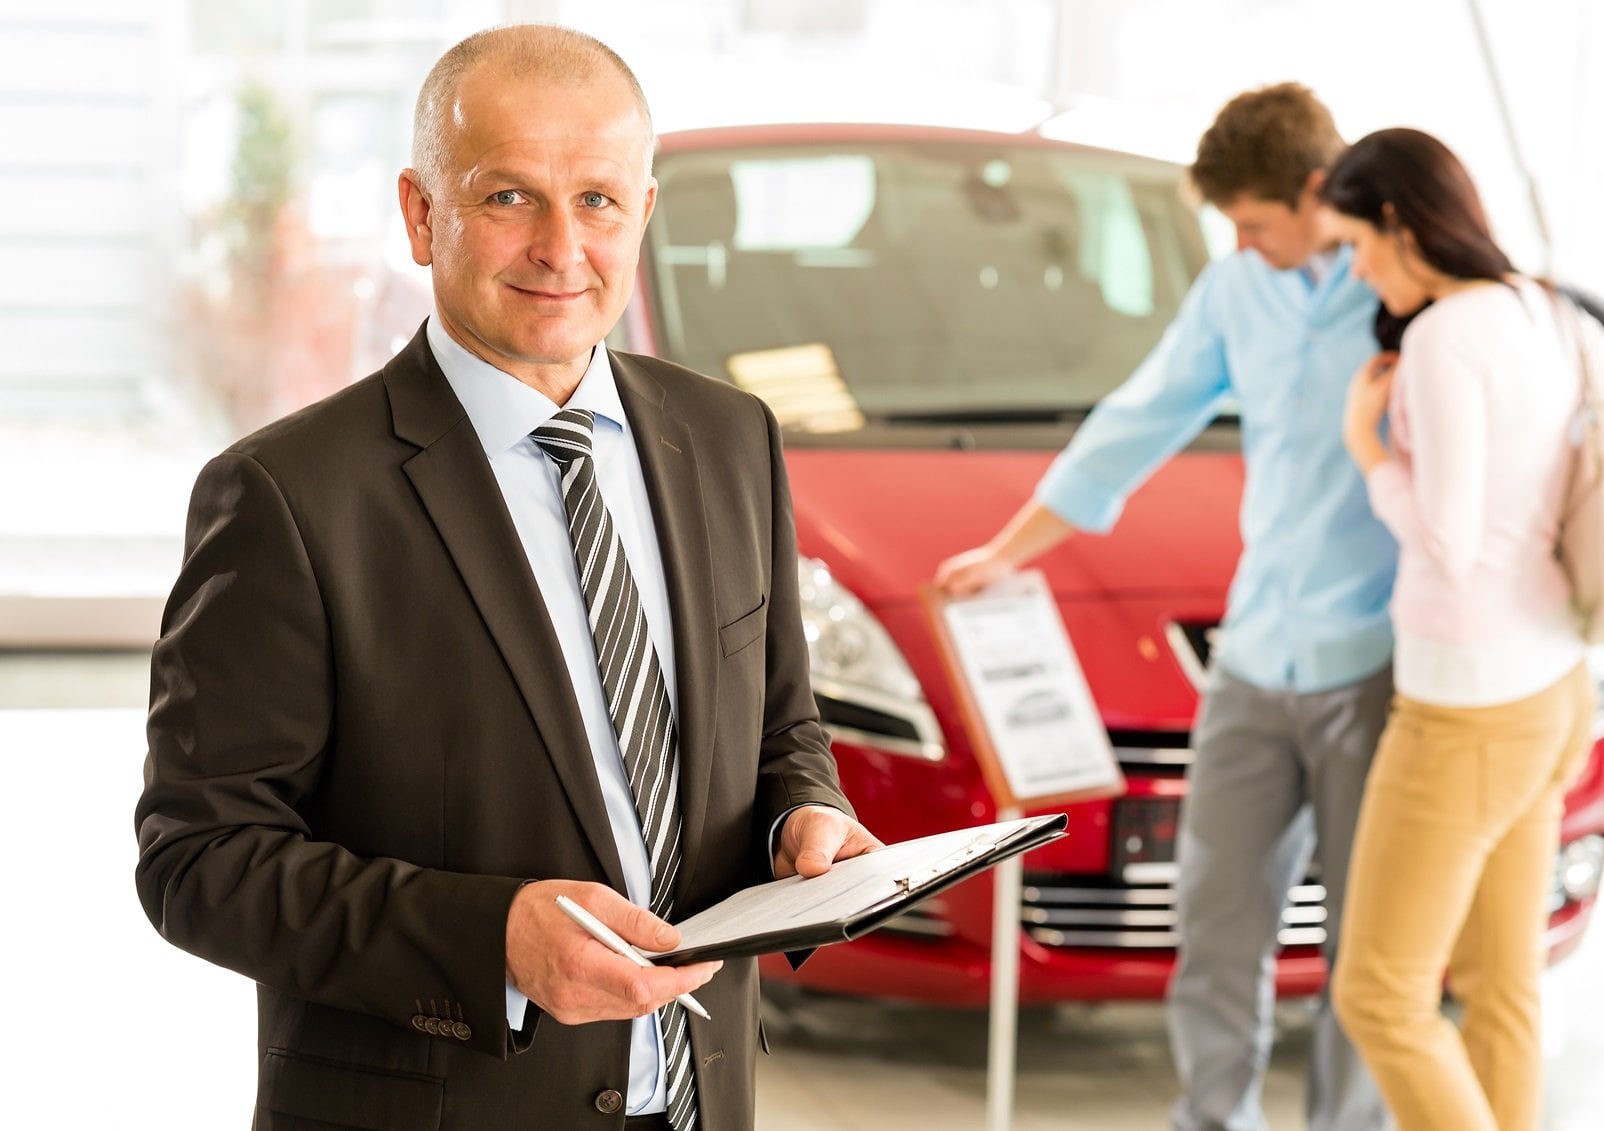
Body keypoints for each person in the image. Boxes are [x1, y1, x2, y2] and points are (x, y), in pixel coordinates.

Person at [135, 24, 878, 1131]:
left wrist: (802, 817)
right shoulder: (288, 496)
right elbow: (199, 860)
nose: (559, 248)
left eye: (596, 201)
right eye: (506, 198)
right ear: (421, 213)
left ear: (643, 213)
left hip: (701, 1102)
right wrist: (490, 943)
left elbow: (779, 728)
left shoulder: (728, 438)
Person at [935, 84, 1394, 1131]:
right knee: (1218, 925)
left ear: (1320, 193)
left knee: (1367, 950)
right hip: (1253, 662)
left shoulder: (1396, 293)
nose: (1238, 242)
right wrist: (1009, 552)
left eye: (1254, 222)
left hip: (1375, 666)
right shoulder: (1238, 290)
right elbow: (1138, 417)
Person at [1320, 127, 1604, 1131]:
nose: (1355, 267)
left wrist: (1367, 448)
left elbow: (1444, 542)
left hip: (1462, 711)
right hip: (1551, 686)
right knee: (1502, 982)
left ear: (1398, 223)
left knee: (1379, 995)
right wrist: (1547, 533)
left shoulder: (1444, 337)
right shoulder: (1541, 306)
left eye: (1356, 241)